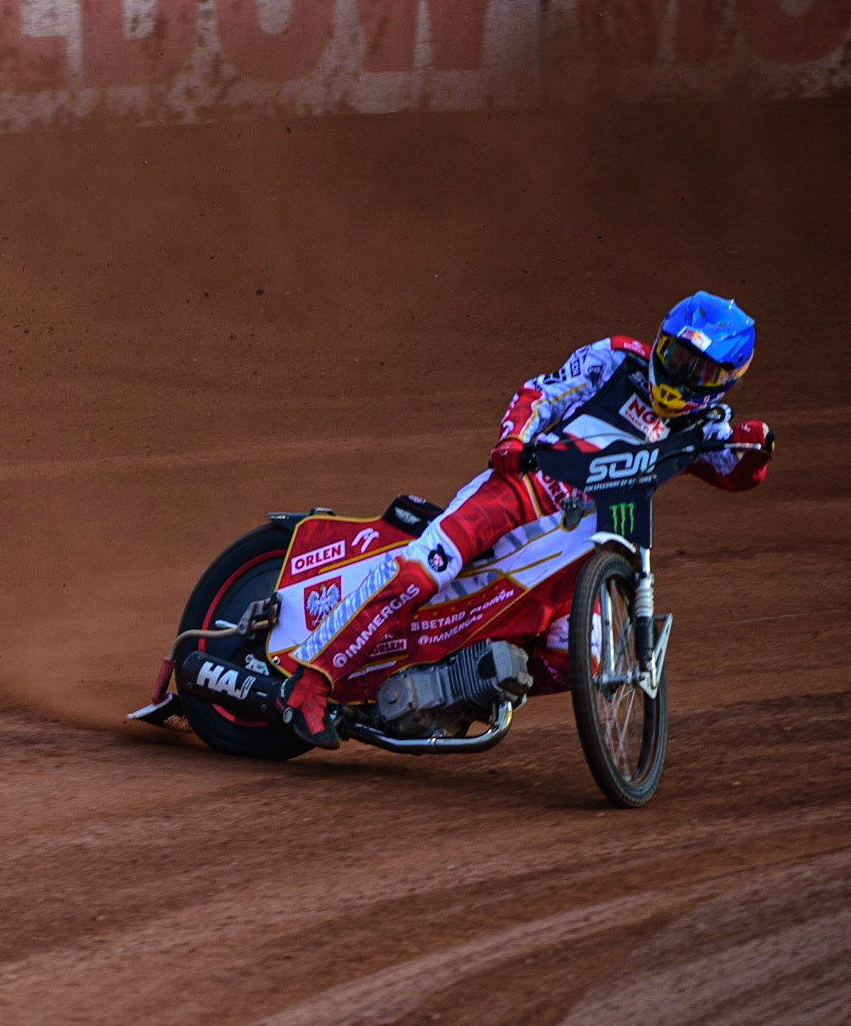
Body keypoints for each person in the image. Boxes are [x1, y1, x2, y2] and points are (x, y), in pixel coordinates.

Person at [282, 291, 776, 749]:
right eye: (677, 358)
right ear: (661, 343)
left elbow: (734, 472)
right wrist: (513, 439)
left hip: (588, 540)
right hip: (523, 490)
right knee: (423, 570)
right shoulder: (617, 357)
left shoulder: (707, 426)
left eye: (701, 372)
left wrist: (756, 449)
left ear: (725, 382)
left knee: (578, 658)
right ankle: (309, 684)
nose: (683, 375)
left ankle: (469, 689)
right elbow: (542, 392)